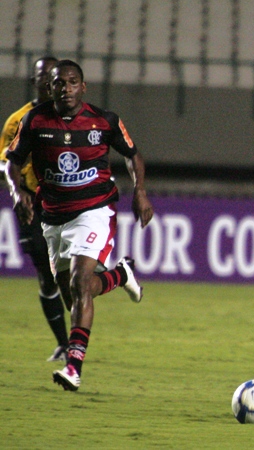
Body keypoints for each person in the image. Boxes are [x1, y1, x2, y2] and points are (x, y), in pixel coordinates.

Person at [4, 59, 154, 392]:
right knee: (73, 292)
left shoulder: (103, 121)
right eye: (60, 83)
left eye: (73, 82)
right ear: (50, 87)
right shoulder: (35, 120)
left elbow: (132, 154)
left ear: (83, 87)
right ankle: (120, 275)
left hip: (95, 210)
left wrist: (140, 192)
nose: (66, 88)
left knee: (81, 282)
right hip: (53, 215)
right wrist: (17, 194)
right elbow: (10, 162)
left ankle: (73, 367)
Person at [0, 56, 72, 362]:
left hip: (66, 201)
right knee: (46, 273)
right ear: (35, 81)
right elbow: (5, 162)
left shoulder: (71, 116)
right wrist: (18, 193)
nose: (47, 81)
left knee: (72, 272)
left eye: (52, 76)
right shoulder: (18, 120)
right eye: (42, 76)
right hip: (32, 202)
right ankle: (64, 343)